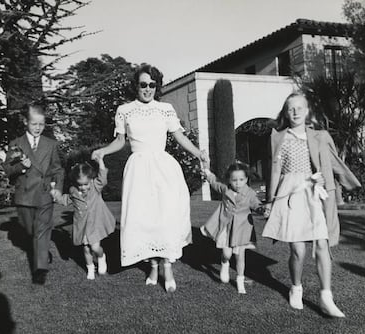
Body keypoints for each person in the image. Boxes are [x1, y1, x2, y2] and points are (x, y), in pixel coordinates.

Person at [91, 64, 207, 292]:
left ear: (157, 86)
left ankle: (167, 266)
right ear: (136, 86)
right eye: (143, 84)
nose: (148, 89)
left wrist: (198, 153)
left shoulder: (165, 109)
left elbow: (179, 136)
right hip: (138, 169)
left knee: (165, 217)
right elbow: (120, 141)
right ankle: (152, 265)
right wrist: (103, 151)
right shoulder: (125, 110)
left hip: (164, 168)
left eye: (152, 85)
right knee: (143, 219)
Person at [262, 93, 360, 317]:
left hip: (316, 193)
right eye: (290, 109)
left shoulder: (320, 135)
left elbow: (333, 162)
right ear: (286, 113)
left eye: (299, 108)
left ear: (307, 111)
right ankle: (296, 288)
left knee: (322, 245)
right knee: (298, 250)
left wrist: (340, 185)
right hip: (290, 193)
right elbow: (275, 171)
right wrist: (270, 201)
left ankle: (327, 296)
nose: (295, 112)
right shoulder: (278, 137)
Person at [3, 104, 64, 285]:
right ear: (25, 122)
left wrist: (58, 188)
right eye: (34, 124)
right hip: (24, 196)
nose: (38, 128)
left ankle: (40, 269)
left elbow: (58, 169)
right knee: (30, 230)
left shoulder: (51, 144)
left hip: (44, 193)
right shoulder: (16, 144)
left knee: (42, 231)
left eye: (41, 125)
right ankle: (41, 251)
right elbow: (7, 170)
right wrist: (22, 167)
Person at [200, 163, 263, 294]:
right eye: (234, 180)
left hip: (241, 229)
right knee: (227, 253)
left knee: (240, 256)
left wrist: (261, 209)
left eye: (241, 180)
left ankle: (240, 280)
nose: (238, 183)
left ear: (246, 179)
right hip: (226, 226)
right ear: (229, 180)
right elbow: (214, 182)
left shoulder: (249, 193)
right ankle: (224, 263)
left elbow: (256, 204)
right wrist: (207, 172)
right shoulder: (225, 189)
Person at [51, 157, 116, 280]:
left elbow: (102, 178)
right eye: (79, 185)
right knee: (86, 249)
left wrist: (100, 161)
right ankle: (90, 268)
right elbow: (66, 200)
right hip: (81, 225)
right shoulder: (73, 191)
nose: (83, 187)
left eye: (86, 184)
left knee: (95, 247)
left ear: (91, 180)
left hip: (95, 223)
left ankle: (101, 257)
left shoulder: (95, 186)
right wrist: (56, 196)